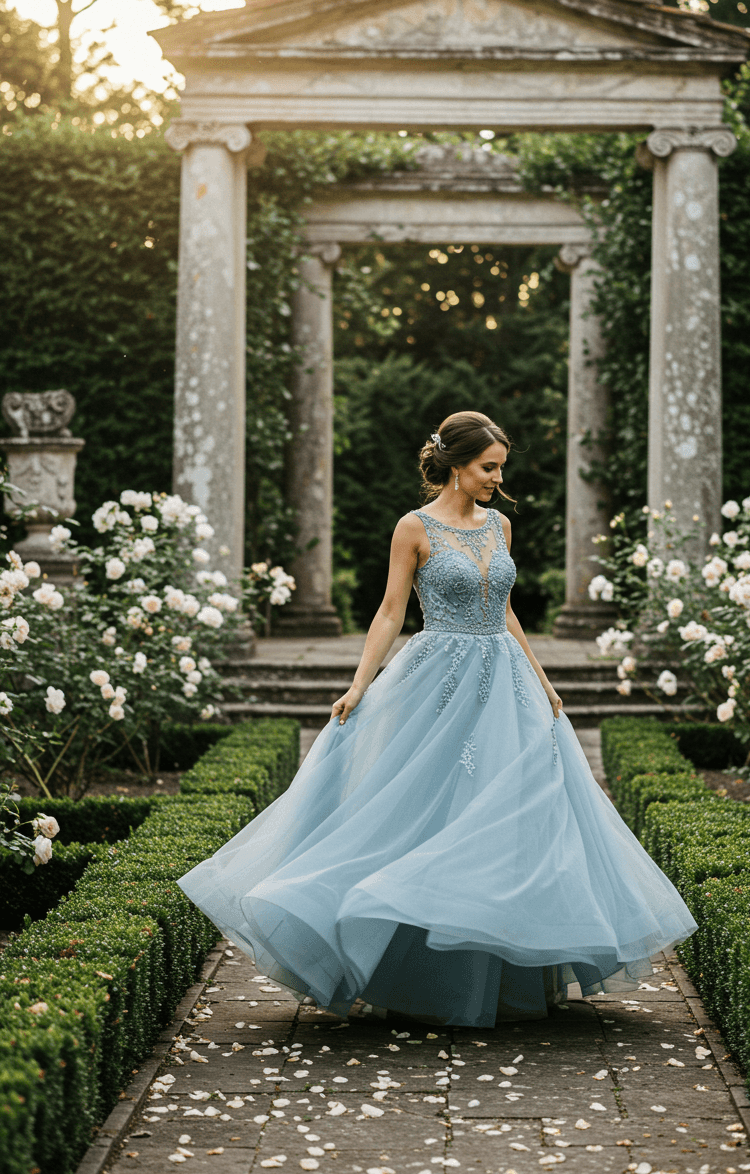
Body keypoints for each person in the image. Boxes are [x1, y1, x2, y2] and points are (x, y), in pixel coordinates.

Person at [178, 410, 696, 1027]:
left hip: (505, 683)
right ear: (455, 465)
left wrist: (543, 679)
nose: (497, 479)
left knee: (513, 821)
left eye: (501, 467)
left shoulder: (500, 525)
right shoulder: (413, 527)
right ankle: (417, 976)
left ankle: (505, 975)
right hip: (436, 681)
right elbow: (391, 611)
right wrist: (358, 684)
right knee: (425, 812)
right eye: (488, 467)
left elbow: (504, 612)